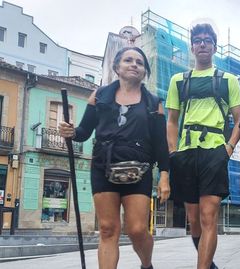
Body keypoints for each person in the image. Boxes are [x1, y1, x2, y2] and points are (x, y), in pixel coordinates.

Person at [59, 47, 170, 269]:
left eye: (139, 62)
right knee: (108, 228)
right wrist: (70, 132)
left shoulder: (153, 102)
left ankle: (146, 264)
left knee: (137, 229)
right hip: (103, 166)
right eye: (128, 60)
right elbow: (83, 131)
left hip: (139, 169)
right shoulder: (100, 95)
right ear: (117, 67)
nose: (134, 65)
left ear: (144, 71)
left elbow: (160, 144)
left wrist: (164, 176)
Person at [166, 23, 240, 269]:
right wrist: (172, 153)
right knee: (194, 219)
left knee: (209, 216)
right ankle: (208, 264)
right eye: (198, 40)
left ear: (214, 47)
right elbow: (171, 120)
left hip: (214, 152)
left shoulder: (228, 80)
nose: (202, 44)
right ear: (192, 46)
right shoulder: (178, 80)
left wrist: (229, 148)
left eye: (207, 40)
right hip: (186, 153)